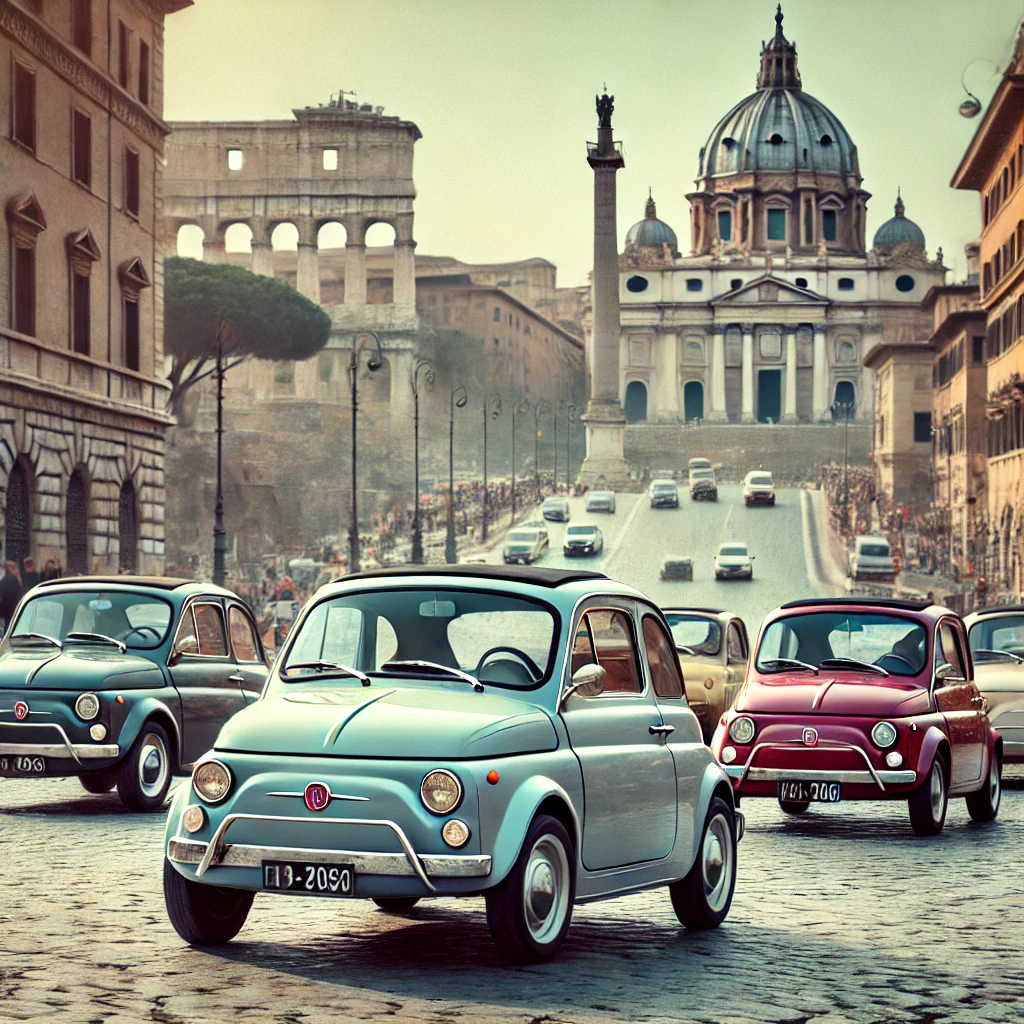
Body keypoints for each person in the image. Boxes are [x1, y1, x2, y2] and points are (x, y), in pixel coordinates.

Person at [0, 560, 24, 632]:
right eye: (13, 567)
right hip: (14, 608)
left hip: (7, 611)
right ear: (8, 568)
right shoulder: (13, 579)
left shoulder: (4, 580)